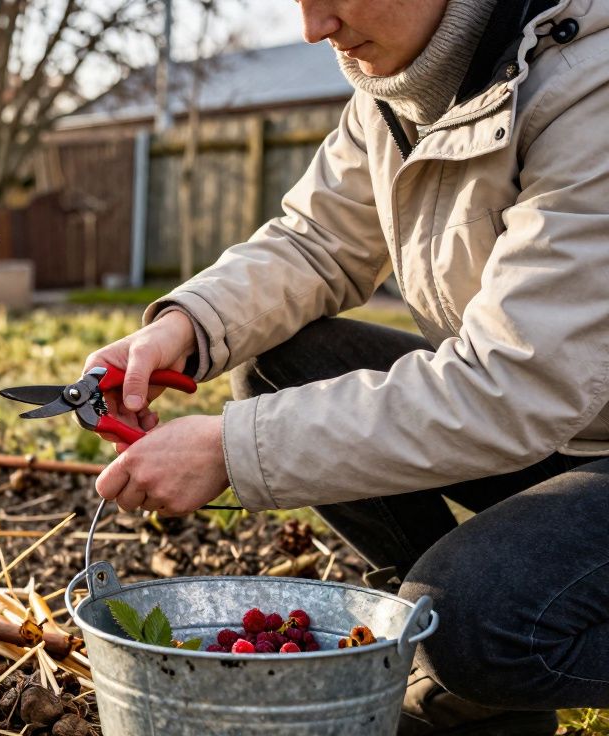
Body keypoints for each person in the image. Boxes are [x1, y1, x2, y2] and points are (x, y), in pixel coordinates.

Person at [84, 0, 609, 732]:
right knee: (282, 366)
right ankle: (473, 692)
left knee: (471, 621)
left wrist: (232, 448)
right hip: (563, 424)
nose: (312, 27)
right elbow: (317, 241)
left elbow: (515, 381)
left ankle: (472, 655)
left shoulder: (589, 85)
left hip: (551, 411)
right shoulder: (403, 84)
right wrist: (186, 326)